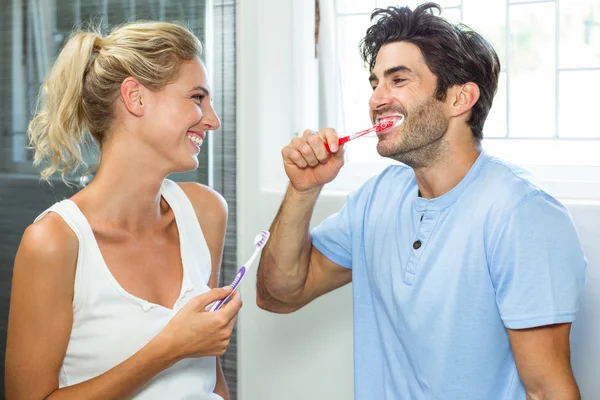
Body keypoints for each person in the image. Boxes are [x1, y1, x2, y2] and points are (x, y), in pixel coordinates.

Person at [256, 3, 587, 399]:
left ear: (459, 98)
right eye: (374, 82)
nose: (377, 97)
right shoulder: (376, 198)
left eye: (398, 80)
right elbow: (277, 295)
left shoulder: (523, 215)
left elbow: (548, 390)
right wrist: (303, 190)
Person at [5, 21, 241, 399]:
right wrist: (168, 348)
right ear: (136, 98)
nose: (213, 120)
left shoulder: (205, 212)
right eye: (197, 97)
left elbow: (209, 379)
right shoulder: (54, 243)